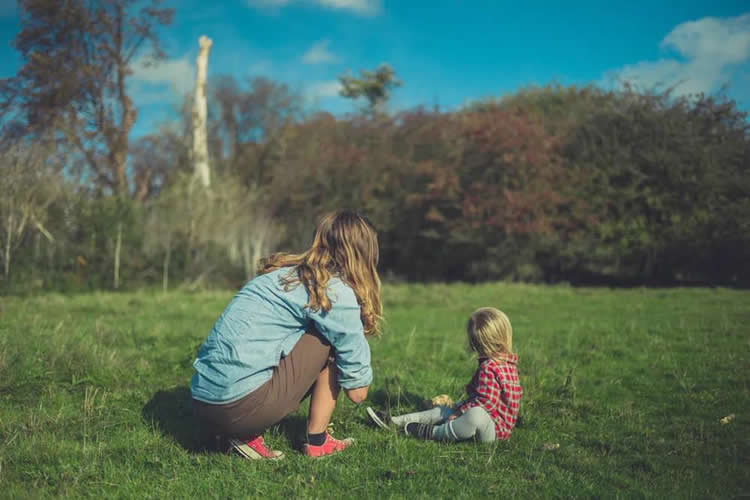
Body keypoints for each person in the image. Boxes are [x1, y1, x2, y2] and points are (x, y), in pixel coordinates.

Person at [191, 210, 382, 459]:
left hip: (201, 401)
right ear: (364, 253)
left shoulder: (280, 274)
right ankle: (317, 442)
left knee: (313, 331)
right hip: (236, 408)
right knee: (329, 339)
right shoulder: (334, 292)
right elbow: (358, 393)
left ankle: (237, 433)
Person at [367, 307, 522, 443]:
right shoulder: (509, 363)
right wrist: (457, 408)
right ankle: (396, 421)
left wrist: (460, 412)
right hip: (494, 426)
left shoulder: (489, 367)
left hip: (493, 432)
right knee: (444, 411)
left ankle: (433, 433)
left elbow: (486, 402)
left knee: (475, 415)